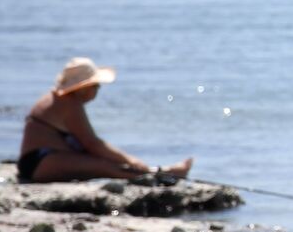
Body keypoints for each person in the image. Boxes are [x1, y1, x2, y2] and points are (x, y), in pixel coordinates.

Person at [16, 57, 193, 183]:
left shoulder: (57, 99)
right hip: (40, 163)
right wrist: (131, 160)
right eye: (95, 86)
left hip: (35, 162)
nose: (98, 90)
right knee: (106, 167)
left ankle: (161, 171)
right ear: (83, 88)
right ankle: (161, 174)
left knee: (106, 164)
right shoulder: (69, 104)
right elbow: (92, 143)